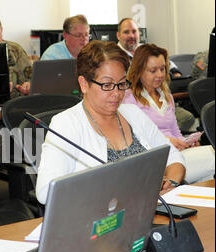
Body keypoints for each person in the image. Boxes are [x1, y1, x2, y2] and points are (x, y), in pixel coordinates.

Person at [35, 41, 185, 205]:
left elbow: (172, 155)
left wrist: (171, 182)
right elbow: (45, 192)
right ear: (84, 84)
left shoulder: (133, 114)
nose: (117, 93)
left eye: (121, 84)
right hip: (100, 221)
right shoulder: (66, 124)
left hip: (149, 210)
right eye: (107, 85)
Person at [124, 43, 215, 183]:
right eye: (153, 71)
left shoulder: (166, 96)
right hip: (158, 160)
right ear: (139, 71)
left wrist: (186, 143)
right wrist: (166, 141)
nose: (160, 75)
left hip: (176, 154)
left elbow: (175, 131)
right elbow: (134, 140)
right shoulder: (128, 99)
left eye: (162, 69)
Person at [117, 18, 196, 132]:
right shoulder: (116, 57)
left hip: (161, 95)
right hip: (140, 97)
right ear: (118, 35)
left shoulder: (146, 49)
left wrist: (175, 73)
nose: (131, 35)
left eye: (134, 31)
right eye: (126, 32)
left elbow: (169, 64)